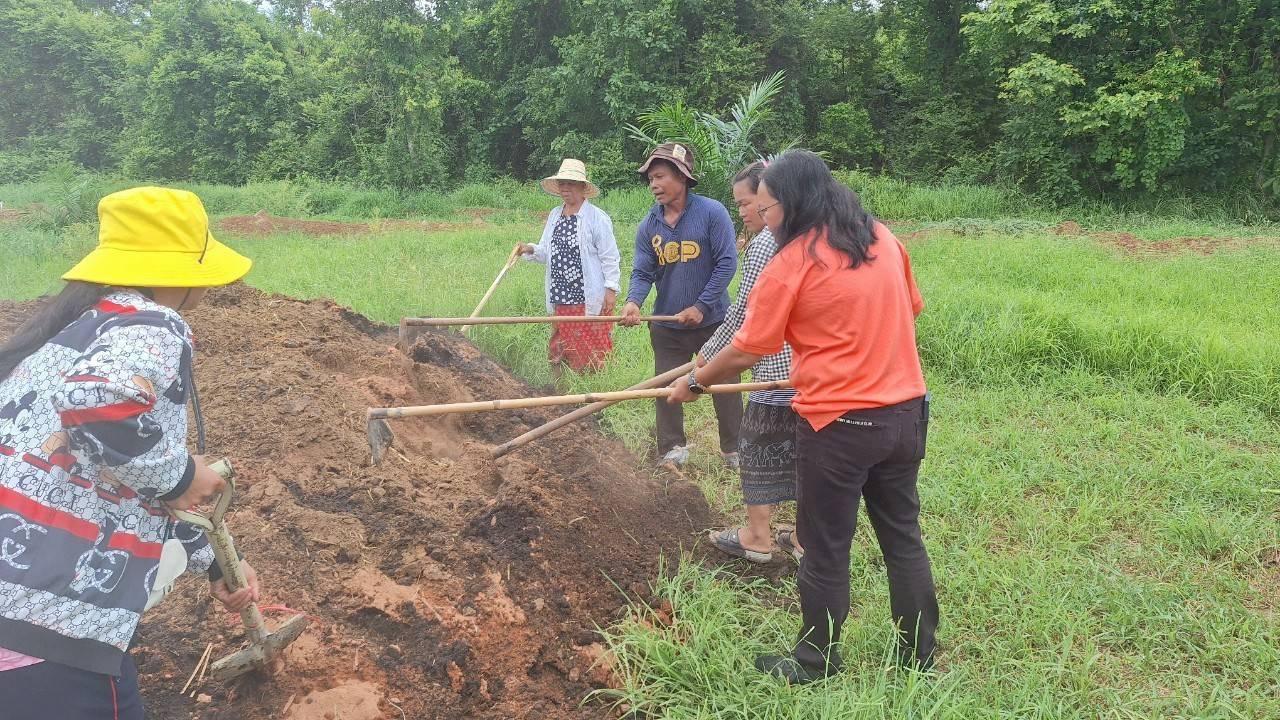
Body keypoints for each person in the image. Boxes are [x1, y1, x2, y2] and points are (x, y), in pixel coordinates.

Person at [668, 150, 939, 682]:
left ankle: (816, 663)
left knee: (825, 547)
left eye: (767, 209)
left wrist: (697, 381)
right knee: (903, 538)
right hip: (906, 415)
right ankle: (918, 659)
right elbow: (908, 309)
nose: (765, 219)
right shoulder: (882, 239)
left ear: (792, 204)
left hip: (839, 426)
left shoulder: (792, 261)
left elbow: (749, 347)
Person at [0, 186, 262, 718]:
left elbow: (114, 466)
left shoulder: (70, 332)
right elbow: (99, 403)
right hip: (52, 629)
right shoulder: (154, 324)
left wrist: (214, 561)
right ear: (178, 272)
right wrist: (180, 474)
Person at [699, 160, 803, 563]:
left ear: (768, 197)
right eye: (739, 204)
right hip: (808, 373)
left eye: (747, 203)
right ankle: (802, 537)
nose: (743, 212)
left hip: (774, 370)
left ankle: (758, 537)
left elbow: (744, 314)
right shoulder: (804, 237)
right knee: (805, 456)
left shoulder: (763, 245)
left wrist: (707, 355)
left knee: (757, 450)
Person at [620, 142, 742, 469]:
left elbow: (727, 263)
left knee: (726, 385)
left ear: (682, 177)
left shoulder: (712, 213)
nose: (654, 185)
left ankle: (734, 449)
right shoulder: (650, 224)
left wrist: (701, 305)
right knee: (665, 387)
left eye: (660, 176)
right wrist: (633, 302)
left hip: (714, 322)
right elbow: (643, 271)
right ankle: (672, 448)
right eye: (650, 179)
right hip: (668, 324)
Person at [519, 159, 621, 376]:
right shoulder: (555, 215)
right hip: (560, 294)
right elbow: (546, 251)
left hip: (586, 295)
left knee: (589, 348)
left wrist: (611, 289)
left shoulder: (596, 218)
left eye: (571, 184)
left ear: (583, 187)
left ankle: (592, 387)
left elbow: (610, 256)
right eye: (562, 184)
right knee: (560, 346)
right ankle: (560, 387)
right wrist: (529, 249)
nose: (565, 189)